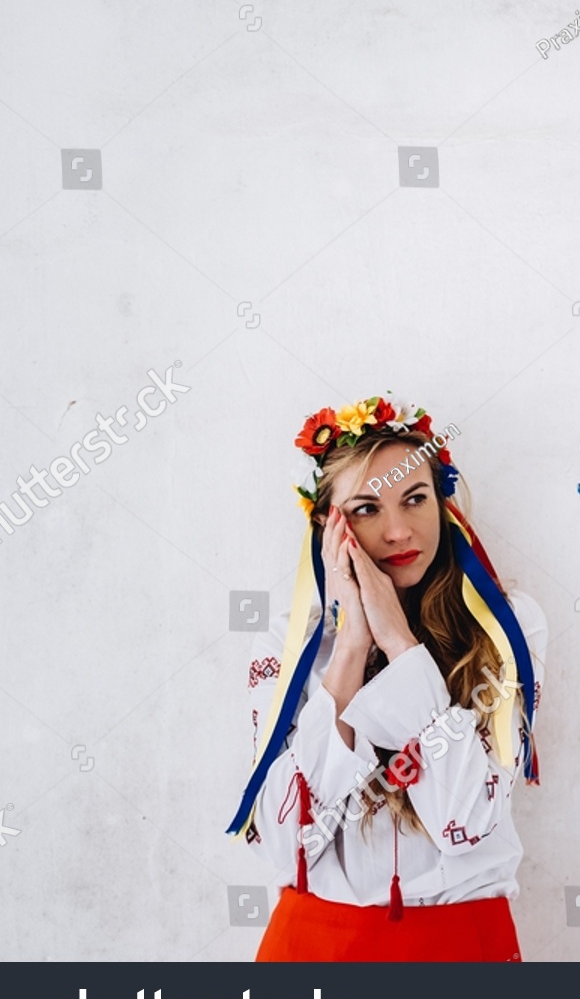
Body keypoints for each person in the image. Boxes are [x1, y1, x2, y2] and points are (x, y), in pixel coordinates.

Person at [225, 396, 547, 961]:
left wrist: (400, 643)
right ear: (329, 527)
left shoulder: (507, 627)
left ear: (444, 507)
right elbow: (285, 846)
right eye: (366, 510)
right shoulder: (288, 642)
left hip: (460, 944)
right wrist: (352, 646)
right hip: (313, 945)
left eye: (415, 500)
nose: (399, 530)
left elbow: (464, 821)